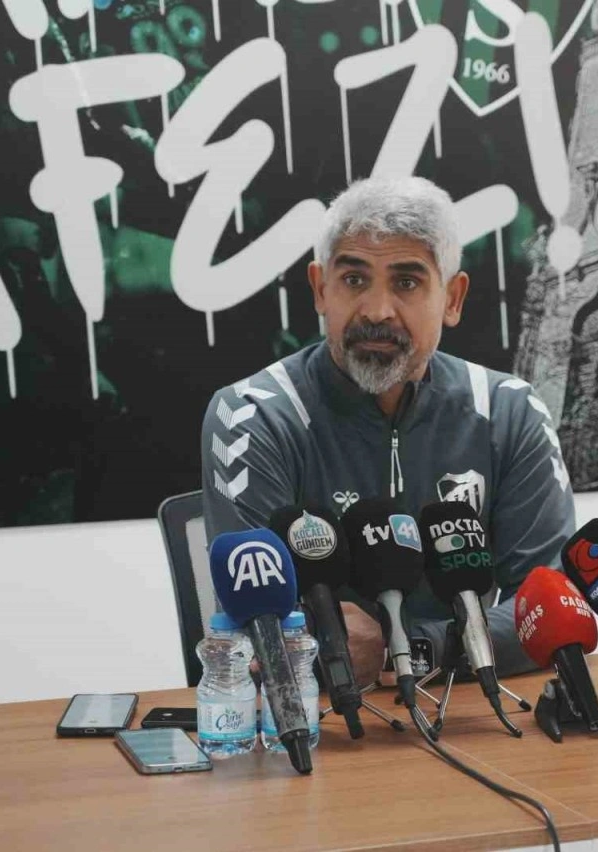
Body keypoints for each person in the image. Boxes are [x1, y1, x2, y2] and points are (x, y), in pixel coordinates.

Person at [201, 176, 575, 686]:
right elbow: (264, 632)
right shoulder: (254, 415)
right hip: (320, 716)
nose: (377, 311)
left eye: (406, 283)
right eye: (354, 280)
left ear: (453, 298)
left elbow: (550, 607)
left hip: (467, 705)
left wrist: (404, 651)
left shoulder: (508, 411)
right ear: (320, 289)